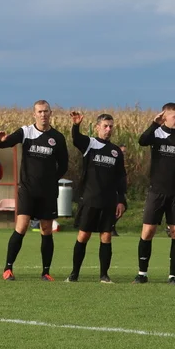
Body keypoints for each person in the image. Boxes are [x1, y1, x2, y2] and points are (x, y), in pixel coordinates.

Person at [0, 100, 69, 281]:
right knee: (21, 226)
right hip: (28, 189)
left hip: (48, 192)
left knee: (46, 229)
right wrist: (1, 140)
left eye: (46, 111)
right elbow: (6, 143)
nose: (43, 114)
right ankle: (8, 269)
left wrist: (52, 179)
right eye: (39, 112)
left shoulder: (58, 138)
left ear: (50, 113)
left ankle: (46, 272)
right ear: (34, 114)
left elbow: (64, 164)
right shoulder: (26, 132)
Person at [134, 103, 175, 285]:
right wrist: (154, 124)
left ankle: (173, 276)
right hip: (157, 191)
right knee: (148, 231)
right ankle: (142, 274)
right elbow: (142, 141)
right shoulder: (156, 133)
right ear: (165, 117)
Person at [67, 112, 127, 283]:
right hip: (90, 199)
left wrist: (121, 200)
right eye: (105, 126)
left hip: (108, 201)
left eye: (111, 126)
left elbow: (121, 177)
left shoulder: (116, 151)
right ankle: (74, 274)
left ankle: (104, 275)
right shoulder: (90, 144)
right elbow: (76, 139)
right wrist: (76, 125)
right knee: (83, 235)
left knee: (106, 236)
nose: (108, 129)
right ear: (98, 127)